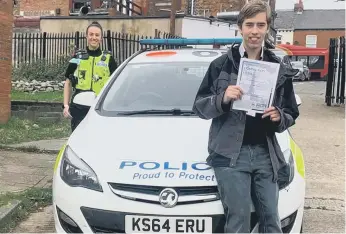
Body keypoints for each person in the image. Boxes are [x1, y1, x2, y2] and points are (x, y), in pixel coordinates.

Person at [192, 0, 299, 233]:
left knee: (271, 220)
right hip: (230, 154)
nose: (255, 31)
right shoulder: (221, 65)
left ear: (267, 28)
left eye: (260, 25)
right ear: (240, 27)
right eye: (249, 25)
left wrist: (279, 116)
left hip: (266, 154)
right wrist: (223, 98)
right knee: (238, 221)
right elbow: (200, 107)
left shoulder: (278, 67)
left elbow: (291, 112)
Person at [63, 21, 117, 132]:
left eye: (97, 35)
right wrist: (65, 105)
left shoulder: (108, 58)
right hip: (79, 107)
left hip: (100, 107)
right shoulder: (78, 57)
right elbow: (68, 82)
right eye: (91, 34)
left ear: (101, 38)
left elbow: (116, 84)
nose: (94, 37)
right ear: (86, 36)